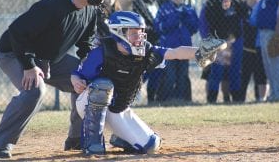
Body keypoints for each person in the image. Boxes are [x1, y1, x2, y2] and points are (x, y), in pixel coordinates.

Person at [0, 0, 110, 159]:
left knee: (90, 82)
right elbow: (17, 32)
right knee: (35, 90)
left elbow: (85, 43)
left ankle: (76, 138)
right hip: (15, 53)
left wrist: (88, 67)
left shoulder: (90, 9)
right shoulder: (52, 6)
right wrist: (29, 65)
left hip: (52, 58)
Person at [72, 11, 227, 155]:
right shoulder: (102, 52)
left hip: (117, 109)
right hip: (89, 103)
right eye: (134, 33)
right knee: (103, 86)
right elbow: (77, 75)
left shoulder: (146, 52)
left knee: (151, 145)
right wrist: (76, 80)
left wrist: (199, 52)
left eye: (140, 33)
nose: (139, 38)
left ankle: (122, 138)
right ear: (118, 33)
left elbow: (175, 52)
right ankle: (92, 145)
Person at [205, 0, 245, 103]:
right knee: (217, 70)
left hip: (236, 40)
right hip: (219, 40)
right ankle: (212, 100)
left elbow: (245, 15)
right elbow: (210, 19)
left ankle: (237, 99)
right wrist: (221, 7)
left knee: (235, 70)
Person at [154, 0, 198, 102]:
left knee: (183, 75)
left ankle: (182, 99)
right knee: (170, 76)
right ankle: (166, 99)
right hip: (169, 49)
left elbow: (195, 28)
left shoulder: (188, 9)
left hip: (185, 48)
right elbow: (158, 27)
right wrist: (173, 19)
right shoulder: (164, 9)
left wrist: (188, 18)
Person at [132, 0, 160, 103]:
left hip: (158, 41)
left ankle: (152, 99)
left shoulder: (157, 1)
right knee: (144, 71)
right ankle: (133, 94)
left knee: (156, 71)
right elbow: (141, 23)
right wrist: (156, 30)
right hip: (145, 42)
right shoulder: (138, 1)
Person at [241, 0, 267, 102]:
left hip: (258, 48)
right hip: (246, 49)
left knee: (259, 75)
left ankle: (259, 98)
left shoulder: (261, 9)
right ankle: (239, 99)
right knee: (244, 76)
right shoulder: (242, 9)